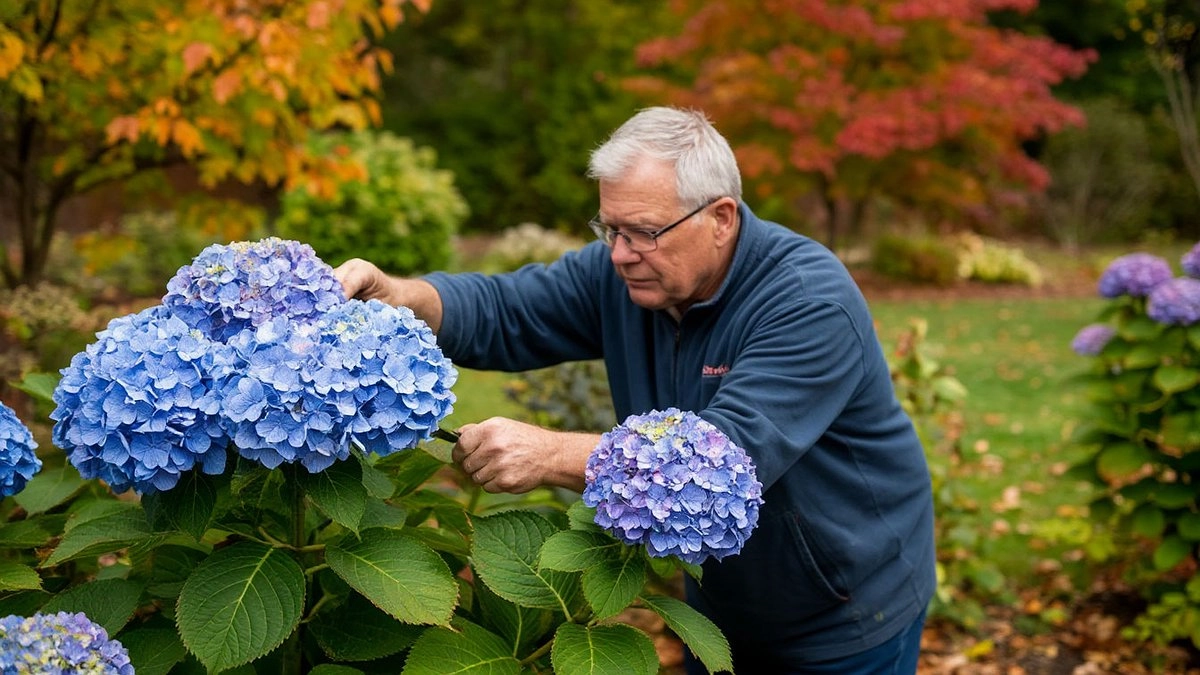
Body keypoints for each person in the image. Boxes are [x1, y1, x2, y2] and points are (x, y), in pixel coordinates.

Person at [335, 106, 936, 674]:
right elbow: (509, 308)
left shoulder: (807, 302)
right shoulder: (630, 272)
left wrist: (550, 455)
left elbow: (717, 464)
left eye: (645, 232)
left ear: (720, 218)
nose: (620, 255)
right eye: (610, 228)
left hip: (842, 609)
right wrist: (407, 297)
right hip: (721, 605)